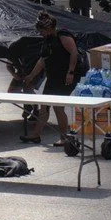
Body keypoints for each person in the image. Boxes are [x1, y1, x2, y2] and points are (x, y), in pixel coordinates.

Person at [15, 11, 77, 144]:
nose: (40, 33)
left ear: (48, 28)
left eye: (41, 30)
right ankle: (36, 135)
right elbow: (42, 61)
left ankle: (64, 137)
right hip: (53, 77)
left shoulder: (63, 35)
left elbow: (74, 52)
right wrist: (31, 76)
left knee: (58, 107)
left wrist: (70, 72)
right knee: (44, 106)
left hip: (66, 77)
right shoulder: (47, 40)